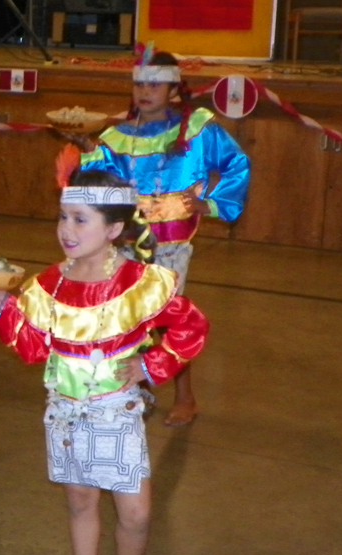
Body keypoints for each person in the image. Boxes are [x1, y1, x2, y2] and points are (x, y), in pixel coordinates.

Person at [0, 169, 209, 555]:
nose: (66, 230)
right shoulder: (46, 286)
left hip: (117, 413)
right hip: (66, 414)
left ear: (114, 230)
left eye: (80, 220)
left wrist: (151, 367)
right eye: (62, 218)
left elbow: (191, 327)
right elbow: (34, 348)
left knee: (136, 514)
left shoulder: (143, 282)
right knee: (80, 500)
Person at [79, 48, 250, 427]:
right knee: (123, 316)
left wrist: (210, 203)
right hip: (124, 239)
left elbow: (237, 162)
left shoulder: (198, 129)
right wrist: (89, 150)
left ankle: (185, 396)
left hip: (171, 243)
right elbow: (101, 178)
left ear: (174, 87)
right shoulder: (116, 133)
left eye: (154, 83)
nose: (145, 91)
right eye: (139, 82)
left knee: (168, 319)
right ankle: (131, 386)